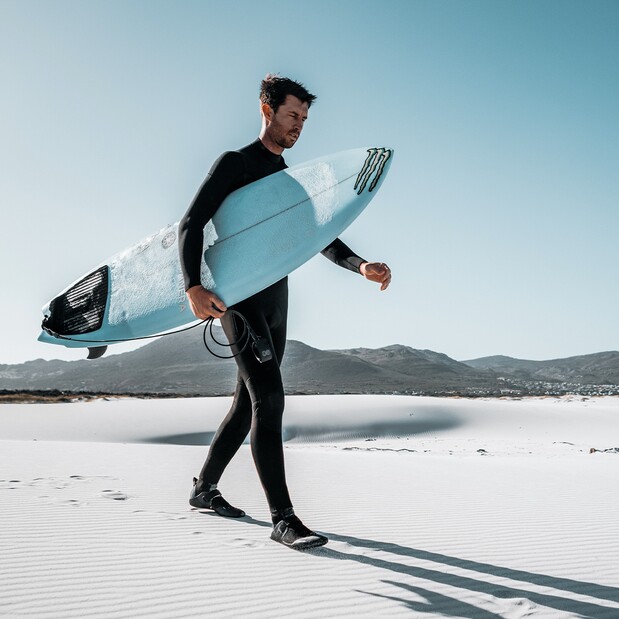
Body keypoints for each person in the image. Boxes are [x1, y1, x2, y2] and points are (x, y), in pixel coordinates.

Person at [178, 75, 391, 550]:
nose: (299, 125)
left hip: (276, 300)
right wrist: (193, 285)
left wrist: (360, 266)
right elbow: (192, 222)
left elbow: (319, 237)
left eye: (305, 119)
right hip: (239, 300)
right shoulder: (235, 164)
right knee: (269, 399)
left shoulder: (290, 181)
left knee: (246, 403)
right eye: (293, 115)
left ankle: (203, 488)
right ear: (267, 110)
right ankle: (284, 519)